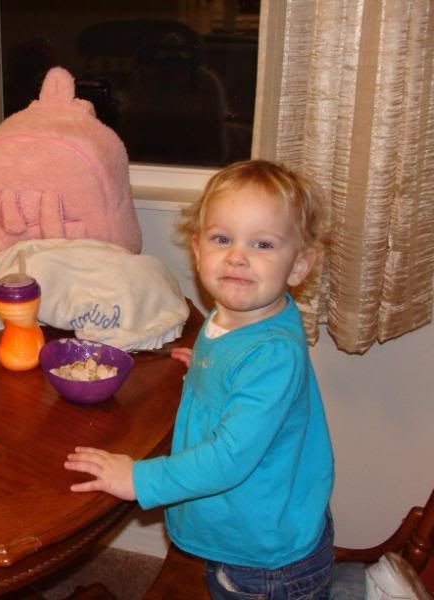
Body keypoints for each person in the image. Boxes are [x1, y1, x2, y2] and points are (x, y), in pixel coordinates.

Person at [64, 159, 335, 599]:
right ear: (197, 246)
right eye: (222, 238)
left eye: (263, 244)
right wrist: (209, 362)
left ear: (301, 265)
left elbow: (228, 458)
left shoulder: (273, 355)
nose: (237, 257)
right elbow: (235, 360)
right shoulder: (233, 316)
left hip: (265, 564)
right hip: (245, 532)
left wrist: (139, 479)